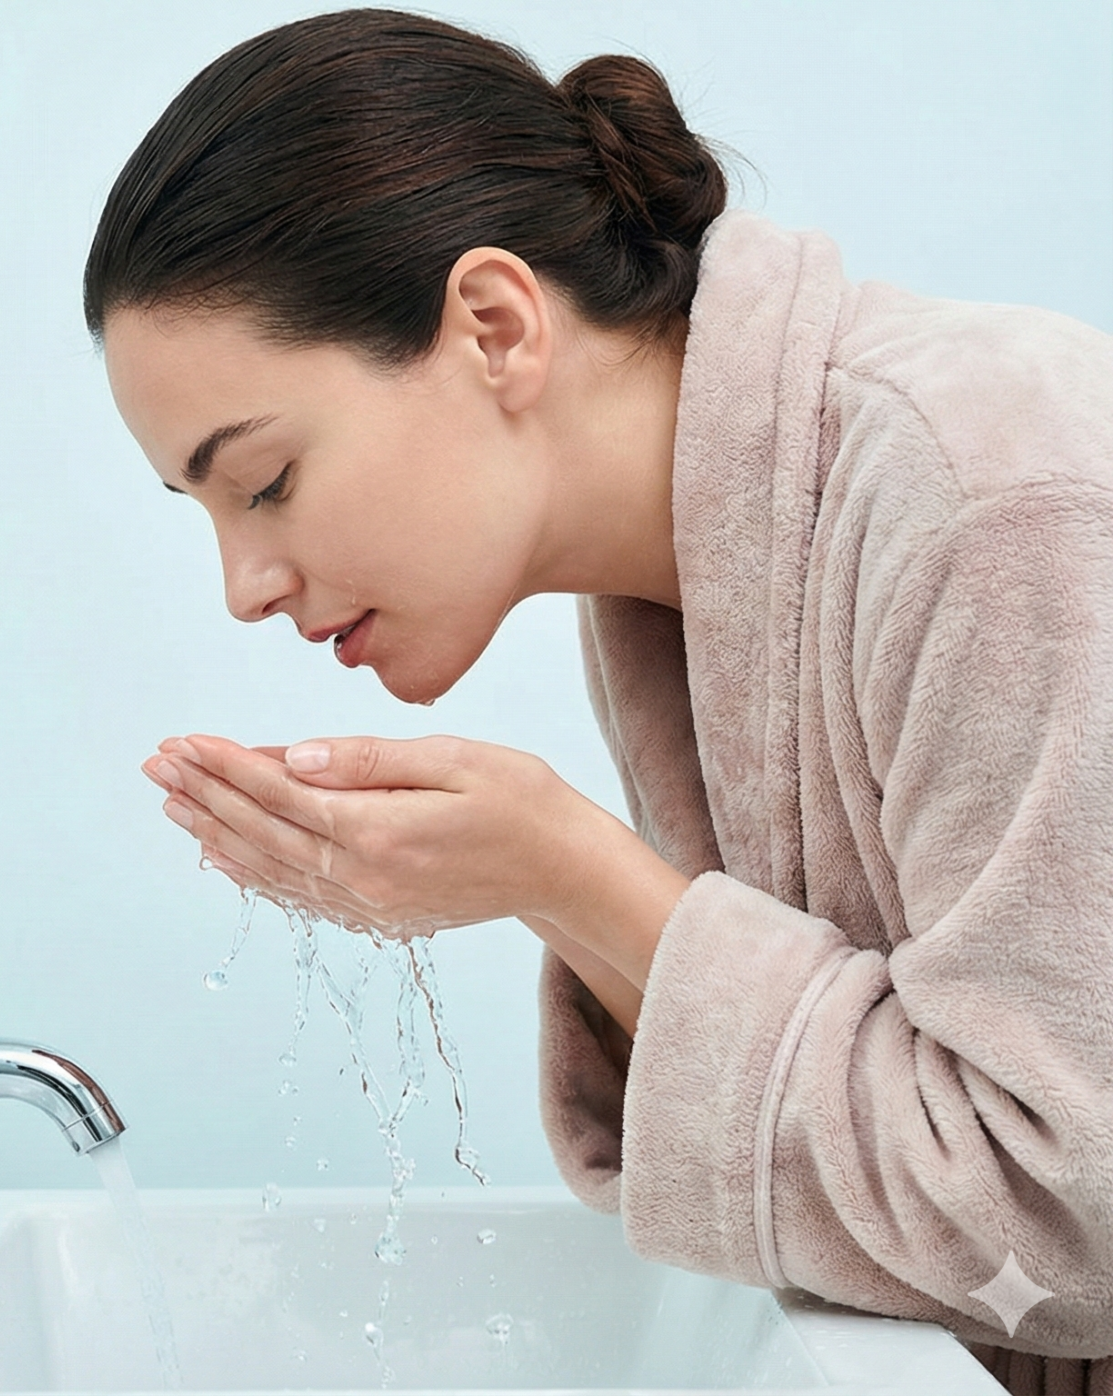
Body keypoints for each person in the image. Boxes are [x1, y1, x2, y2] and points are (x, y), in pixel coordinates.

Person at [92, 9, 1113, 1388]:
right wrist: (547, 878)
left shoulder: (988, 499)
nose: (245, 585)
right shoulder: (672, 580)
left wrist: (568, 867)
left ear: (496, 326)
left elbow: (1071, 1221)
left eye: (263, 480)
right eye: (206, 511)